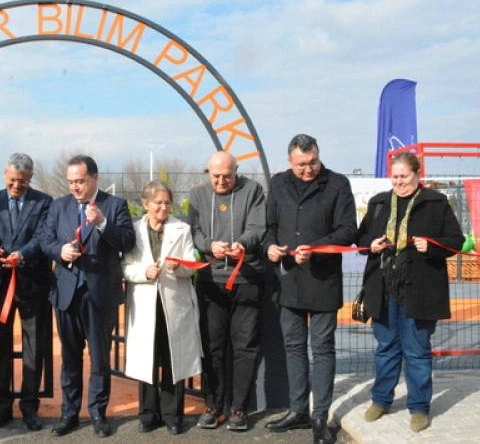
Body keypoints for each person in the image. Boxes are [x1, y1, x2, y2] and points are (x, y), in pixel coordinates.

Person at [356, 151, 463, 433]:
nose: (399, 182)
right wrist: (371, 245)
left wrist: (433, 246)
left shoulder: (436, 202)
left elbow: (456, 240)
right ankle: (381, 400)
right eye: (395, 176)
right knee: (386, 348)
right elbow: (361, 238)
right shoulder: (379, 202)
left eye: (404, 176)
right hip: (383, 287)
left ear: (417, 175)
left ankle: (419, 407)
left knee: (416, 351)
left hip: (420, 289)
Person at [263, 134, 357, 444]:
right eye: (301, 164)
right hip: (288, 279)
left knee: (322, 348)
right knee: (293, 347)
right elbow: (269, 228)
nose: (308, 169)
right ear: (289, 162)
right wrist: (270, 247)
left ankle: (320, 416)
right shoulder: (278, 184)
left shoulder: (338, 184)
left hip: (322, 280)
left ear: (319, 155)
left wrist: (314, 249)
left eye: (313, 162)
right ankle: (298, 410)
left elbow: (348, 230)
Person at [40, 154, 135, 438]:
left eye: (80, 181)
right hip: (66, 293)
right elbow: (45, 241)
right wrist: (60, 252)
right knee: (69, 359)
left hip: (100, 294)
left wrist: (103, 223)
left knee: (100, 360)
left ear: (95, 178)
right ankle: (69, 413)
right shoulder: (59, 206)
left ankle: (97, 414)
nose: (75, 187)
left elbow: (128, 241)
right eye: (71, 182)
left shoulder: (115, 205)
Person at [188, 151, 265, 431]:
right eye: (216, 176)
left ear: (237, 170)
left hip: (246, 280)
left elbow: (257, 227)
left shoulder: (253, 190)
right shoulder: (197, 194)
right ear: (208, 172)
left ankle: (239, 408)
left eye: (227, 176)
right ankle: (213, 405)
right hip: (211, 282)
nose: (221, 181)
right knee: (213, 346)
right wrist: (210, 245)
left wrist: (242, 244)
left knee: (245, 347)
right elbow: (194, 231)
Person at [122, 180, 202, 436]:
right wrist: (143, 272)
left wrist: (179, 268)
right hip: (144, 303)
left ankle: (173, 415)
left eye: (167, 203)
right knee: (146, 359)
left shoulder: (182, 229)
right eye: (158, 203)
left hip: (174, 303)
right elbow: (124, 268)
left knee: (172, 359)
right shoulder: (133, 230)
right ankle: (148, 414)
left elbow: (190, 266)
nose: (164, 208)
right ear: (145, 204)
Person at [0, 153, 53, 432]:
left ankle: (29, 406)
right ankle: (1, 407)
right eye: (12, 180)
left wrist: (22, 255)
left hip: (32, 283)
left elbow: (43, 237)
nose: (16, 186)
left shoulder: (44, 202)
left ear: (30, 178)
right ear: (4, 175)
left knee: (33, 348)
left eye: (22, 181)